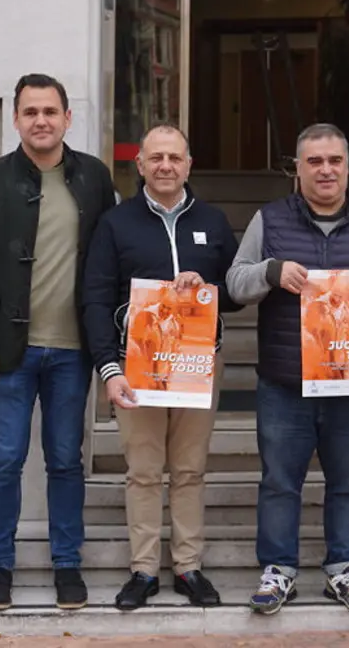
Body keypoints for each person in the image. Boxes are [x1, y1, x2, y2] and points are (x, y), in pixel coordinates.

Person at [226, 123, 349, 616]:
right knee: (279, 482)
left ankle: (343, 569)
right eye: (314, 162)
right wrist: (271, 271)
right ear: (298, 168)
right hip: (284, 382)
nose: (326, 170)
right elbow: (234, 282)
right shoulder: (269, 220)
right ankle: (278, 571)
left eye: (334, 160)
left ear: (347, 167)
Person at [0, 73, 117, 612]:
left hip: (73, 350)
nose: (41, 120)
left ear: (68, 118)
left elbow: (110, 263)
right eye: (31, 112)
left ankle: (66, 563)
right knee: (2, 460)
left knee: (66, 460)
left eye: (51, 111)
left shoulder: (94, 177)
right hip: (8, 351)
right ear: (17, 119)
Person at [81, 122, 242, 611]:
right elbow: (94, 297)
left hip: (197, 363)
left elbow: (235, 293)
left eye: (175, 158)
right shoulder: (116, 223)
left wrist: (207, 286)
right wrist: (109, 369)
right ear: (141, 165)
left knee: (190, 470)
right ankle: (144, 570)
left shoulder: (213, 222)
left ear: (188, 164)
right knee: (145, 471)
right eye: (156, 158)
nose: (166, 166)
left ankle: (189, 567)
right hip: (138, 367)